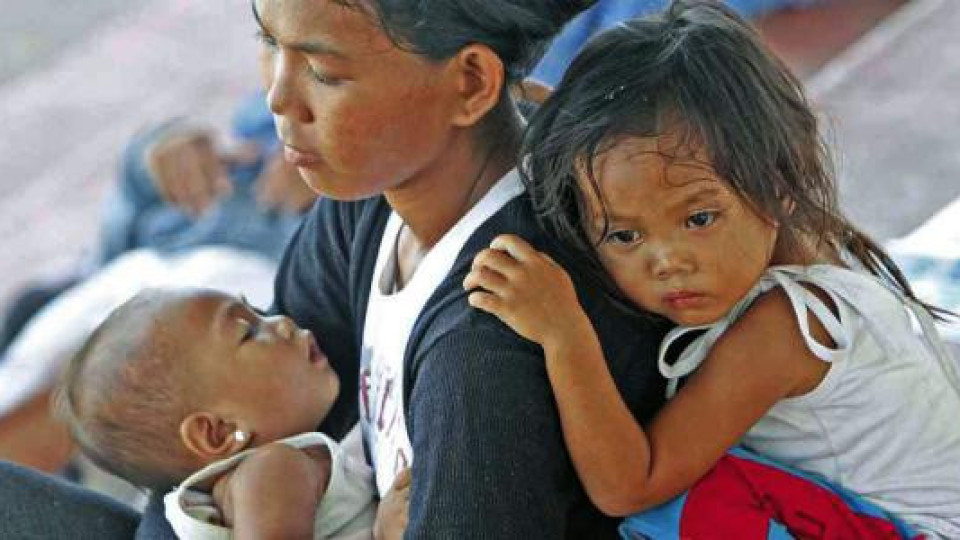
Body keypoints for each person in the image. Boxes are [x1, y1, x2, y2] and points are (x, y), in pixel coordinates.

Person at [0, 0, 669, 538]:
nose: (279, 102)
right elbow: (227, 439)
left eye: (323, 72)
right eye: (269, 43)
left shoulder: (490, 337)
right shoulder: (375, 203)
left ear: (469, 83)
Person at [465, 1, 960, 537]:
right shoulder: (795, 238)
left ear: (778, 184)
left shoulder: (785, 328)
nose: (668, 260)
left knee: (679, 508)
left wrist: (564, 333)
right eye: (625, 235)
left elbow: (631, 485)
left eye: (699, 218)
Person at [56, 287, 409, 539]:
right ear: (218, 433)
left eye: (259, 312)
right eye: (250, 333)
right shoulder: (272, 470)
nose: (283, 322)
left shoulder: (239, 492)